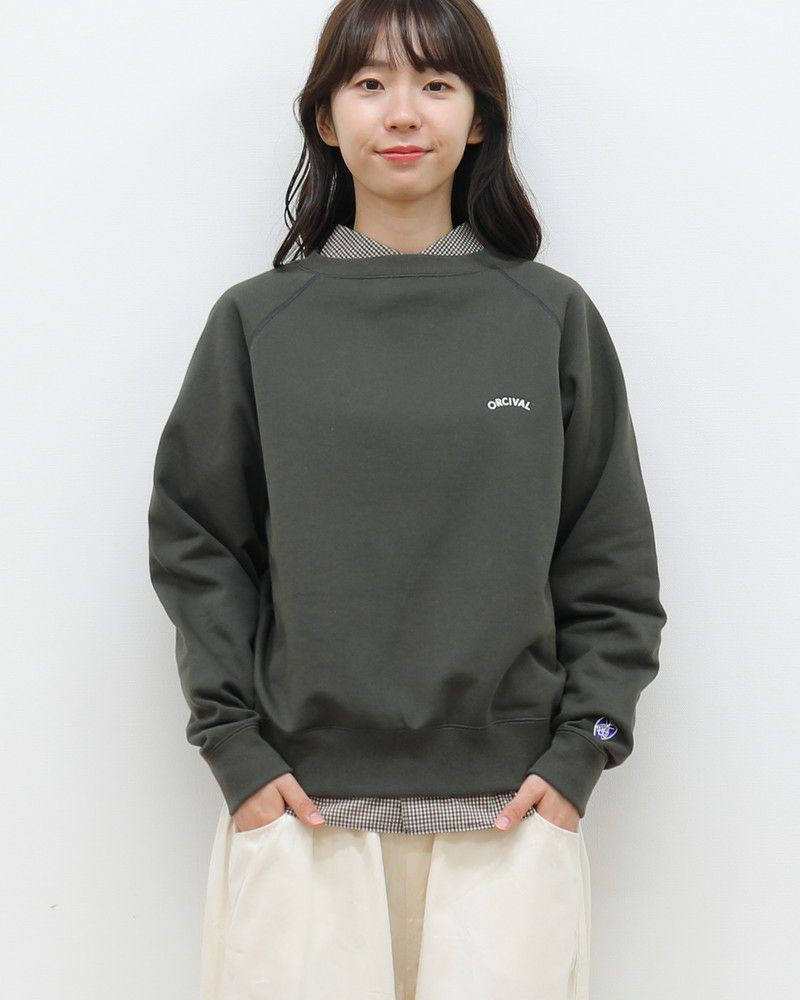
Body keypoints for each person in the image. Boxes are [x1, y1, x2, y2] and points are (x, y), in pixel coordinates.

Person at [147, 1, 668, 997]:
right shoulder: (258, 322)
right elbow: (197, 544)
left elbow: (608, 560)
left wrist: (582, 753)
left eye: (435, 84)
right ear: (325, 116)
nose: (401, 112)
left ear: (478, 120)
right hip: (299, 813)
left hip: (513, 817)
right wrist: (235, 751)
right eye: (369, 83)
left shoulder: (549, 316)